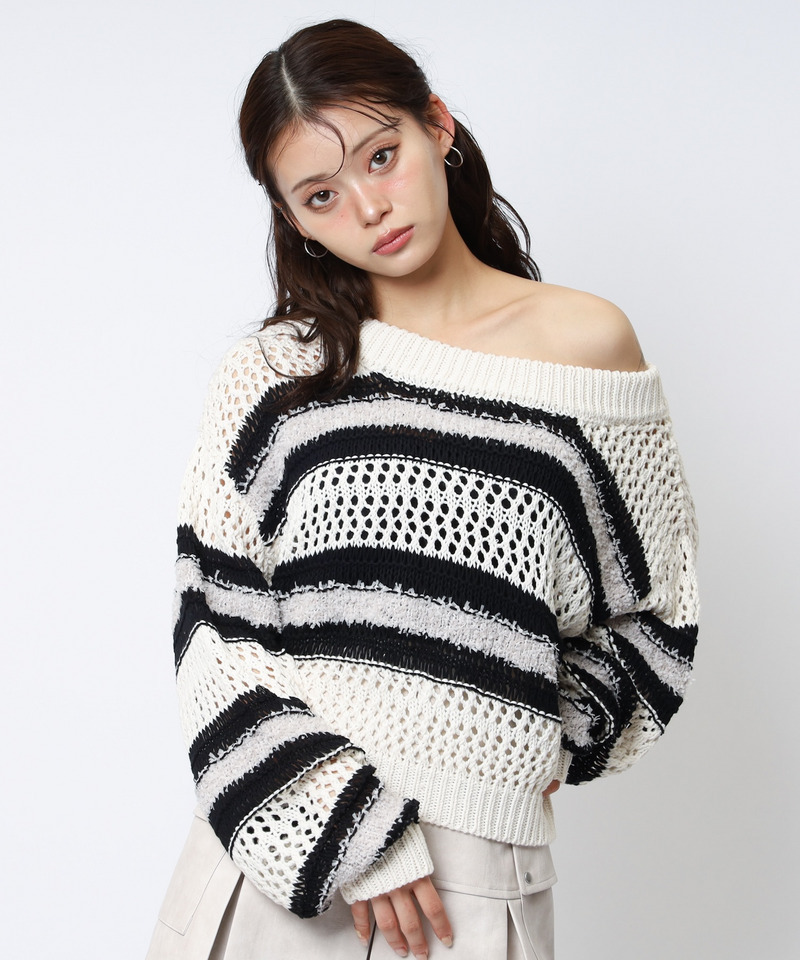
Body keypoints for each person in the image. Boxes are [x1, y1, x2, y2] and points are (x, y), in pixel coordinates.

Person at [146, 18, 699, 960]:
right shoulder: (274, 375)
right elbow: (215, 630)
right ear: (294, 218)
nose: (370, 206)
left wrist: (534, 740)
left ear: (438, 125)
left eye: (382, 155)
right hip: (277, 872)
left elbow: (655, 607)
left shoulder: (586, 347)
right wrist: (347, 833)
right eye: (322, 194)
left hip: (472, 884)